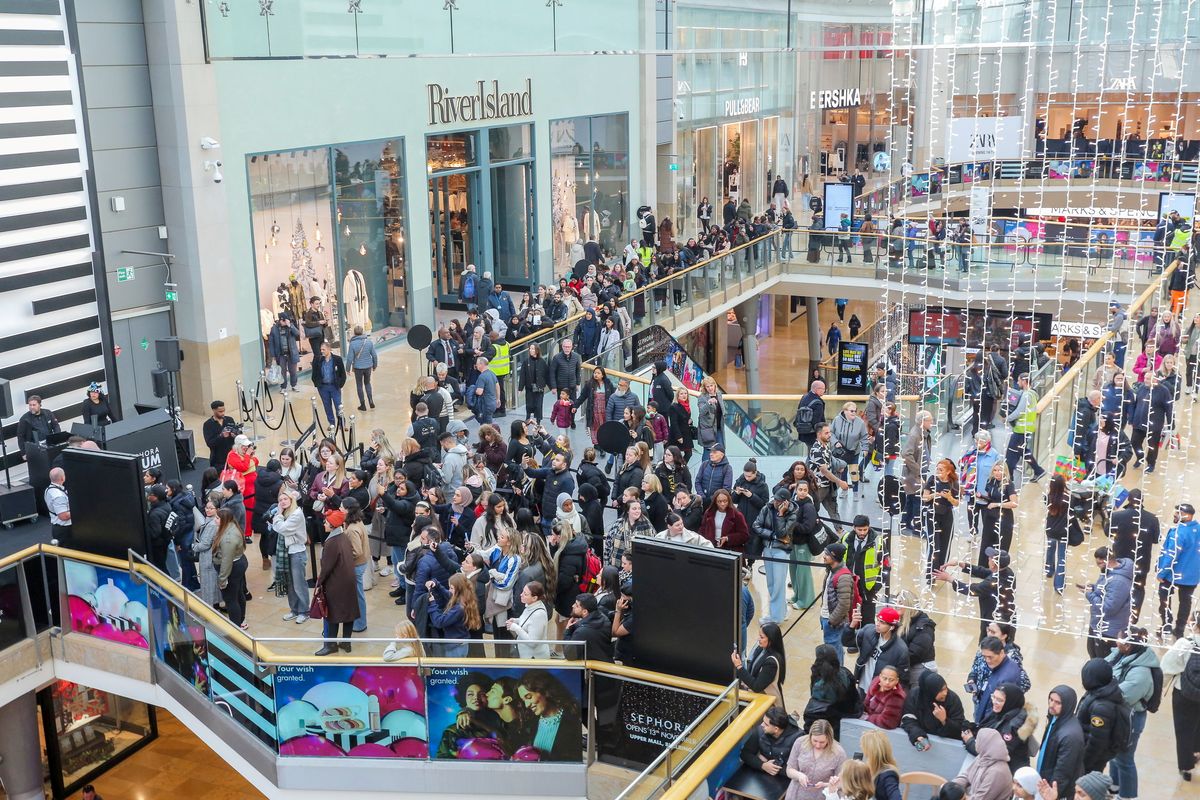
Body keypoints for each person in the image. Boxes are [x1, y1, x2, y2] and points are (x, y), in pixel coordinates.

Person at [1103, 628, 1158, 799]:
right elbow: (1104, 667)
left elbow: (1121, 695)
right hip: (1120, 714)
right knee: (1114, 753)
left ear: (1128, 646)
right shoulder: (1122, 654)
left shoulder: (1140, 673)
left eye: (1119, 640)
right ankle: (1114, 786)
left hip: (1131, 718)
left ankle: (1127, 796)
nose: (1116, 642)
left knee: (1125, 759)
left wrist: (1101, 687)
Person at [934, 549, 1016, 640]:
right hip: (1007, 617)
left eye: (990, 558)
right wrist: (963, 565)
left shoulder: (992, 583)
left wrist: (950, 579)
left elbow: (971, 589)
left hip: (994, 621)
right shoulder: (1008, 572)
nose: (988, 559)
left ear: (993, 564)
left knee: (988, 644)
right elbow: (985, 572)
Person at [1109, 489, 1160, 620]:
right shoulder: (1152, 519)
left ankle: (1118, 613)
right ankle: (1134, 615)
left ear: (1128, 500)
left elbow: (1107, 532)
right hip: (1141, 562)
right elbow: (1155, 539)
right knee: (1138, 588)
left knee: (1118, 585)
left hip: (1121, 560)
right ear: (1142, 501)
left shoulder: (1117, 516)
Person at [1162, 610, 1200, 780]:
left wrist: (1157, 692)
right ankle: (1197, 750)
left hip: (1184, 693)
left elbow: (1167, 668)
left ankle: (1186, 767)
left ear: (1195, 624)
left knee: (1183, 729)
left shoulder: (1185, 643)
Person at [1076, 658, 1131, 774]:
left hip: (1090, 762)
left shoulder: (1101, 708)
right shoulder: (1100, 690)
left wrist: (1083, 764)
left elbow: (1097, 743)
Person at [963, 682, 1037, 769]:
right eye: (993, 697)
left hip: (1008, 772)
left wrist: (970, 742)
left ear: (1010, 702)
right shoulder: (1002, 711)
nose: (994, 702)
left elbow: (995, 754)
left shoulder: (1014, 727)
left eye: (1000, 700)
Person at [314, 509, 357, 655]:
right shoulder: (343, 536)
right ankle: (346, 643)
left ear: (332, 525)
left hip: (336, 583)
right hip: (348, 581)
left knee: (331, 614)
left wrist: (319, 583)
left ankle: (330, 645)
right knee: (348, 612)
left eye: (326, 522)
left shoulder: (331, 542)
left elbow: (326, 568)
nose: (323, 523)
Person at [754, 488, 798, 625]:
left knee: (778, 584)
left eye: (778, 500)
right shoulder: (766, 508)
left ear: (785, 502)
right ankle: (780, 612)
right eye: (775, 499)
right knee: (772, 584)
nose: (775, 502)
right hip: (768, 548)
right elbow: (756, 525)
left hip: (781, 550)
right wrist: (771, 535)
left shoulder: (792, 514)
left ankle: (775, 618)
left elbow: (782, 533)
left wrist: (780, 514)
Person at [1158, 502, 1200, 639]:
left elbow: (1171, 555)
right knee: (1185, 603)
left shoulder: (1178, 533)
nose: (1175, 515)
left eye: (1177, 513)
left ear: (1185, 516)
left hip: (1171, 574)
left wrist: (1161, 573)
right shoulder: (1198, 529)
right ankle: (1180, 630)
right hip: (1191, 577)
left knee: (1164, 599)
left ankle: (1166, 626)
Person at [1035, 686, 1086, 799]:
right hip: (1045, 780)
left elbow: (1063, 772)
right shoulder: (1056, 717)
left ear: (1067, 705)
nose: (1051, 705)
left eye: (1057, 702)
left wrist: (1052, 794)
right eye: (1051, 699)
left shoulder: (1070, 735)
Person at [1083, 546, 1133, 657]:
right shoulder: (1109, 572)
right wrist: (1094, 588)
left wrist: (1089, 594)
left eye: (1100, 563)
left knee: (1100, 661)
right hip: (1098, 625)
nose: (1098, 566)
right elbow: (1105, 590)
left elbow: (1108, 608)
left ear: (1109, 560)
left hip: (1107, 631)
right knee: (1092, 653)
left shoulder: (1118, 581)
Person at [802, 643, 859, 738]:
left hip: (829, 723)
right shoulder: (845, 672)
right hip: (846, 715)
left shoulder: (821, 686)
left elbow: (815, 711)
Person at [783, 718, 847, 800]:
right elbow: (789, 770)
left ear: (829, 738)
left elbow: (842, 782)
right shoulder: (800, 742)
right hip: (796, 794)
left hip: (821, 796)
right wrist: (799, 775)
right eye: (815, 740)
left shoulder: (839, 753)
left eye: (822, 742)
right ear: (810, 735)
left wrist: (825, 784)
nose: (817, 745)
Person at [853, 606, 910, 694]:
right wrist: (851, 626)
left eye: (882, 622)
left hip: (880, 694)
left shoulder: (901, 650)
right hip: (862, 686)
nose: (877, 624)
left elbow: (903, 679)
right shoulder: (869, 630)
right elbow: (847, 642)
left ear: (891, 627)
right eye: (877, 620)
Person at [272, 490, 309, 624]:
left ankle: (304, 611)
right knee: (290, 583)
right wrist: (279, 516)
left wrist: (278, 514)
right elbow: (278, 527)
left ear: (291, 500)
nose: (282, 502)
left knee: (299, 584)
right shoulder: (286, 512)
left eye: (285, 499)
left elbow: (282, 528)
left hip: (297, 553)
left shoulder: (296, 514)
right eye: (280, 500)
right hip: (287, 552)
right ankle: (294, 610)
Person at [921, 458, 960, 583]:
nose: (938, 471)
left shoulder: (953, 484)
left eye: (941, 470)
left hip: (947, 515)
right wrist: (935, 495)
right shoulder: (932, 479)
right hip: (932, 514)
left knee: (944, 545)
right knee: (934, 546)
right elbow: (924, 498)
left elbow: (957, 503)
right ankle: (930, 576)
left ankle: (939, 572)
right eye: (937, 469)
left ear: (948, 472)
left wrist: (949, 497)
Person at [733, 622, 789, 709]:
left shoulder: (771, 662)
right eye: (759, 635)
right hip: (757, 699)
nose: (758, 639)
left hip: (767, 704)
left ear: (771, 640)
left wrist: (739, 667)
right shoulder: (761, 649)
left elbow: (757, 687)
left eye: (762, 637)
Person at [1005, 373, 1047, 483]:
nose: (1018, 383)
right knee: (1023, 452)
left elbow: (1019, 411)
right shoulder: (1032, 395)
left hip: (1020, 430)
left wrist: (1007, 418)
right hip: (1025, 429)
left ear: (1024, 381)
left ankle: (1009, 480)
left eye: (1019, 381)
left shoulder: (1027, 395)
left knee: (1010, 455)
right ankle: (1038, 470)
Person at [819, 542, 857, 663]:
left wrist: (831, 621)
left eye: (827, 554)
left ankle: (837, 676)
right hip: (827, 616)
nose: (824, 556)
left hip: (833, 621)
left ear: (834, 557)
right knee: (834, 647)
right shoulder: (831, 569)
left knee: (834, 650)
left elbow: (844, 604)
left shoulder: (843, 577)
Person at [211, 507, 248, 628]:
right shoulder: (231, 526)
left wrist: (222, 579)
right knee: (238, 594)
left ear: (224, 520)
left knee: (231, 599)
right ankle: (241, 621)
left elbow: (227, 561)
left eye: (217, 518)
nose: (214, 519)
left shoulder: (228, 538)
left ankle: (236, 627)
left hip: (232, 568)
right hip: (237, 564)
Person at [953, 728, 1012, 800]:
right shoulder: (983, 756)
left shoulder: (997, 771)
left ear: (984, 744)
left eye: (978, 740)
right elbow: (967, 774)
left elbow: (981, 798)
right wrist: (953, 786)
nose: (976, 742)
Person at [901, 410, 933, 532]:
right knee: (917, 502)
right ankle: (917, 528)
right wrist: (918, 470)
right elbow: (906, 453)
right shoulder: (915, 435)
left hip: (918, 473)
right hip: (914, 475)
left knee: (911, 500)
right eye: (930, 420)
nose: (932, 423)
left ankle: (906, 523)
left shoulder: (923, 433)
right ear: (922, 422)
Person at [563, 593, 613, 661]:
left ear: (585, 612)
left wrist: (568, 630)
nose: (573, 606)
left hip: (593, 669)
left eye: (576, 605)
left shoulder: (581, 632)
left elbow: (569, 655)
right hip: (606, 663)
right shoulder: (604, 618)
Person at [311, 341, 347, 426]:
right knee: (327, 407)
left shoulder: (337, 359)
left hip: (334, 387)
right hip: (323, 388)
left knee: (338, 405)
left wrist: (340, 385)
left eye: (324, 349)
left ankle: (342, 424)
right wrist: (317, 384)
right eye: (321, 349)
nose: (322, 351)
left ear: (329, 349)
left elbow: (342, 374)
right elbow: (314, 374)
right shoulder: (318, 360)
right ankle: (332, 424)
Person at [345, 324, 378, 411]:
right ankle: (370, 400)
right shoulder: (369, 342)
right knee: (367, 383)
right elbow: (374, 355)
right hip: (368, 367)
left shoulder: (352, 344)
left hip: (358, 368)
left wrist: (347, 369)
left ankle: (362, 405)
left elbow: (349, 358)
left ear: (354, 333)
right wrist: (374, 366)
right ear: (363, 332)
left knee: (359, 385)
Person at [863, 664, 906, 729]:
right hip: (870, 724)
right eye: (884, 678)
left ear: (897, 681)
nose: (887, 682)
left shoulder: (897, 697)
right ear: (880, 677)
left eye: (891, 680)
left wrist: (868, 717)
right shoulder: (875, 683)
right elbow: (865, 704)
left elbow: (888, 722)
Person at [793, 380, 827, 450]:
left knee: (811, 452)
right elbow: (817, 423)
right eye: (823, 389)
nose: (824, 391)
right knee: (816, 455)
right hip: (813, 435)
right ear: (817, 389)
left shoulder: (804, 397)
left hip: (803, 433)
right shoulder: (818, 403)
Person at [45, 467, 70, 543]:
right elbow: (63, 516)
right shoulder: (59, 496)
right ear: (62, 478)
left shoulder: (48, 489)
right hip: (65, 530)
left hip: (58, 528)